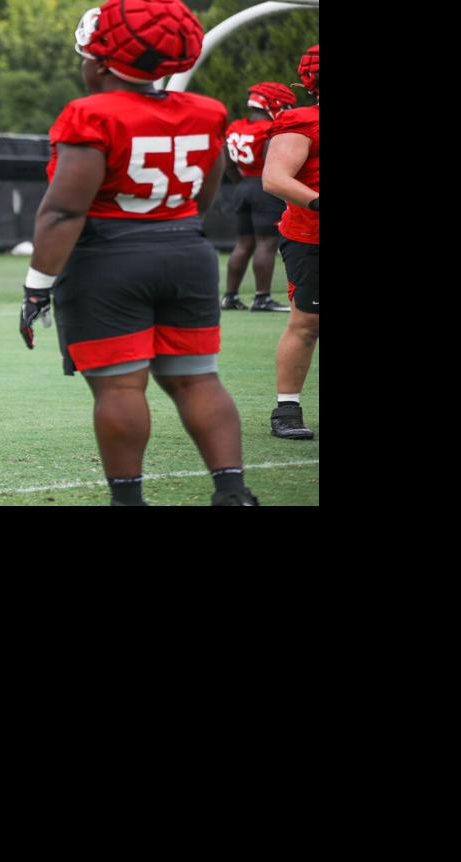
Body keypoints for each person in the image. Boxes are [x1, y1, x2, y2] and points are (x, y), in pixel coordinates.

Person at [19, 0, 257, 506]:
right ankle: (233, 492)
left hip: (109, 257)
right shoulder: (207, 111)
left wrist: (37, 287)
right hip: (186, 250)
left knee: (121, 388)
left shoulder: (90, 113)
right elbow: (203, 198)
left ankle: (128, 501)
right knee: (197, 379)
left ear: (102, 62)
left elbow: (63, 212)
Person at [261, 44, 320, 441]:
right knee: (307, 323)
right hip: (311, 237)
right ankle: (287, 408)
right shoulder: (302, 121)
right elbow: (275, 178)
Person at [220, 82, 296, 313]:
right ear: (275, 104)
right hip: (265, 188)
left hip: (243, 186)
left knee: (243, 244)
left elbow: (228, 165)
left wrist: (244, 185)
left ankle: (230, 296)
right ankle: (262, 298)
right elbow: (274, 164)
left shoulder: (235, 127)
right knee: (266, 243)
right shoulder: (271, 129)